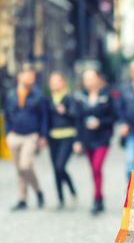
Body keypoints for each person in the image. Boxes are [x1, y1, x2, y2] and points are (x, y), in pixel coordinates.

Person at [4, 65, 47, 210]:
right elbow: (6, 115)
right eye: (28, 76)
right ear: (20, 77)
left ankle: (37, 190)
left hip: (31, 135)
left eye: (33, 77)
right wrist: (7, 133)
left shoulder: (37, 95)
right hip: (14, 135)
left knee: (25, 165)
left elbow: (44, 116)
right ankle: (22, 198)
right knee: (19, 169)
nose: (31, 80)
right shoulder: (11, 95)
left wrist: (43, 135)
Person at [73, 69, 115, 215]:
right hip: (87, 138)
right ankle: (100, 197)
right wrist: (77, 140)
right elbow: (77, 120)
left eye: (92, 78)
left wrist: (100, 123)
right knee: (94, 171)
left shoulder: (106, 96)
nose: (89, 82)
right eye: (86, 79)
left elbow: (112, 118)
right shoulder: (80, 98)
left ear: (98, 79)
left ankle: (96, 199)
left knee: (97, 168)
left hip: (102, 138)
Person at [47, 72, 78, 209]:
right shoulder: (49, 99)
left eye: (57, 81)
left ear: (63, 82)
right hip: (53, 137)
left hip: (67, 136)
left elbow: (76, 116)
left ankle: (71, 189)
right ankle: (60, 199)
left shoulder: (69, 97)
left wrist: (64, 111)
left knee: (60, 166)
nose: (55, 85)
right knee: (55, 169)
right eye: (52, 82)